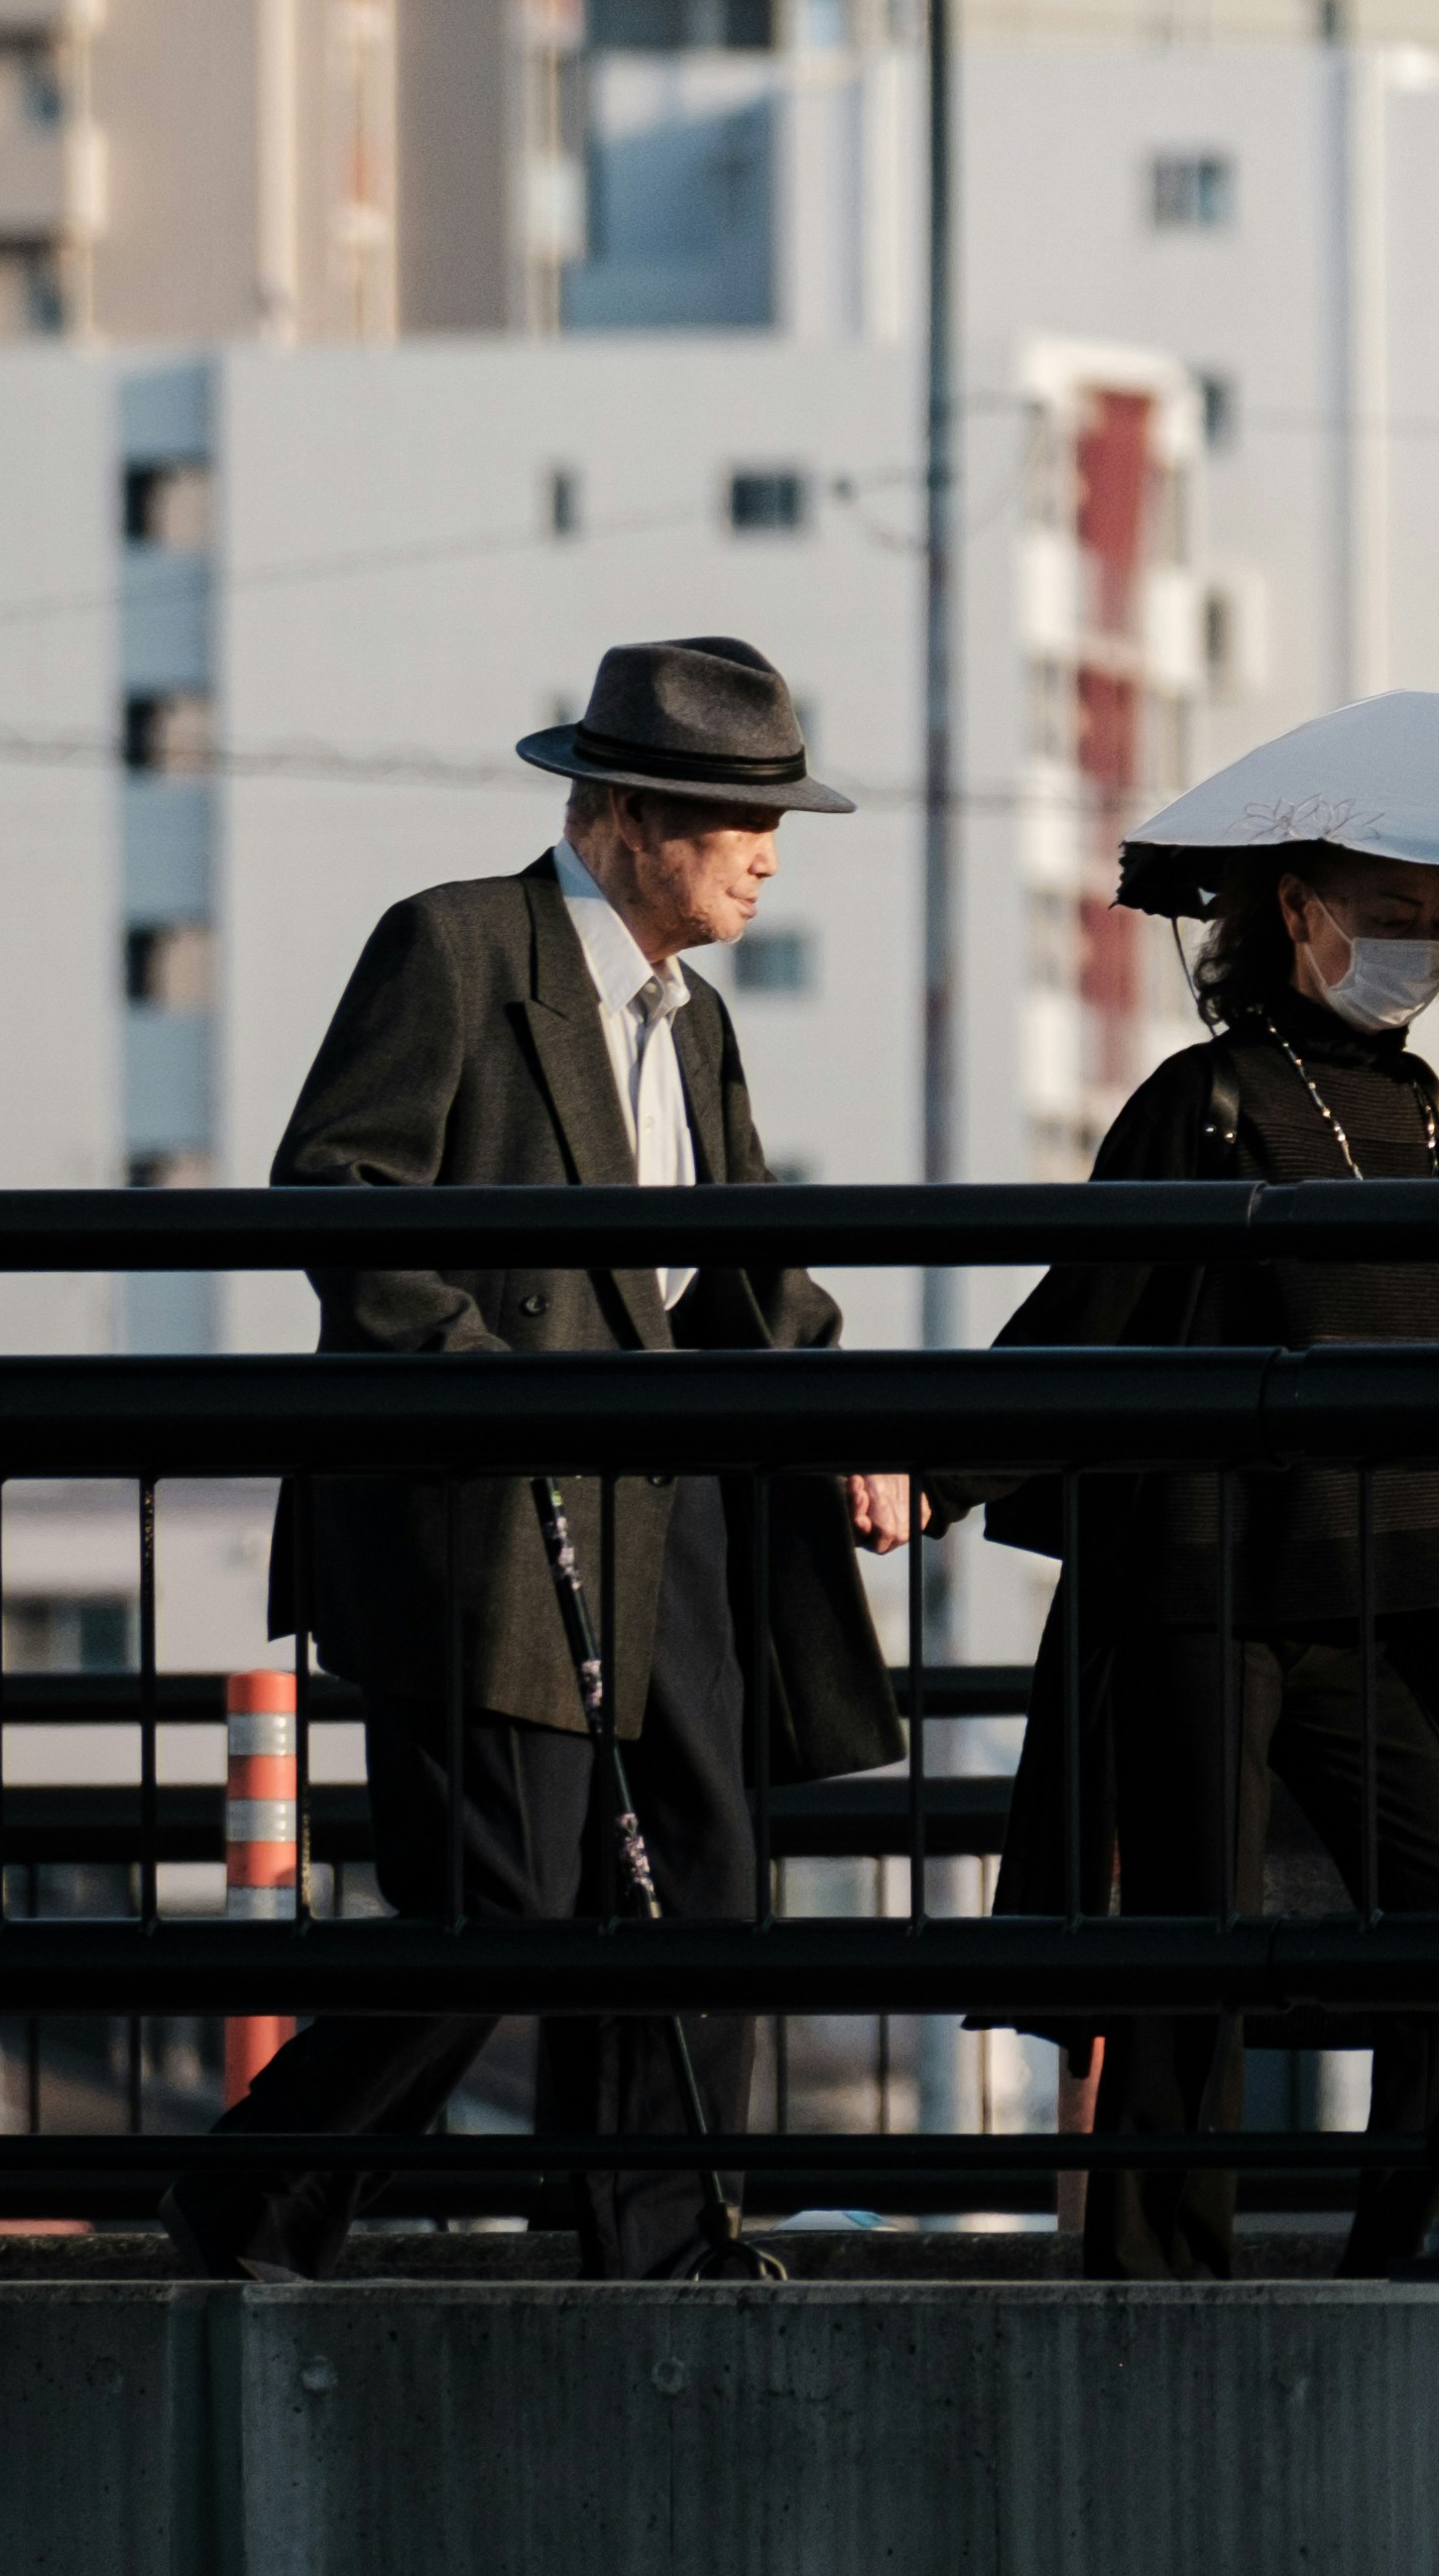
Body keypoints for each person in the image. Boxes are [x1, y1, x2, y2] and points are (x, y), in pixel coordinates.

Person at [166, 637, 911, 2284]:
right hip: (488, 1514)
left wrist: (856, 1429)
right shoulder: (456, 944)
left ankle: (650, 2239)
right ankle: (258, 2191)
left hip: (667, 1517)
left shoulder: (693, 1023)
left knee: (702, 1890)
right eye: (740, 816)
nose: (771, 849)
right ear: (629, 816)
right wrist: (489, 1390)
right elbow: (339, 1194)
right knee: (495, 1908)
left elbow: (750, 1270)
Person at [944, 843, 1439, 2281]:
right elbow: (1090, 1309)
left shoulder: (1426, 1106)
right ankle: (1159, 2283)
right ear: (1296, 912)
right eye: (1397, 915)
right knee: (1190, 1947)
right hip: (1200, 1582)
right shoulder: (1201, 1097)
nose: (1425, 945)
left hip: (1370, 1592)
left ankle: (1407, 2246)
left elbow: (1438, 1353)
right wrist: (935, 1465)